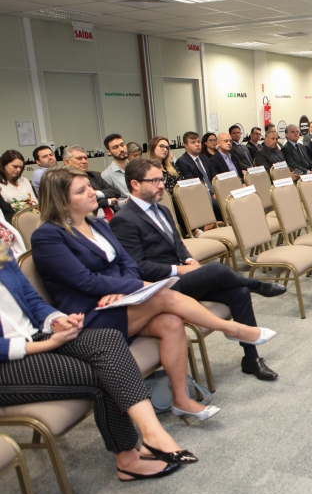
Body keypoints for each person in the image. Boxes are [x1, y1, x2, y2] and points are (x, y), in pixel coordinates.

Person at [31, 167, 276, 421]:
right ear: (61, 200)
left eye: (89, 186)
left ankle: (181, 400)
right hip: (89, 316)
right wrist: (133, 287)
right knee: (162, 293)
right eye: (82, 190)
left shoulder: (98, 224)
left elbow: (129, 265)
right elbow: (85, 281)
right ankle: (234, 329)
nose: (93, 192)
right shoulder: (47, 236)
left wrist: (121, 288)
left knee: (171, 322)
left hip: (120, 302)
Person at [0, 246, 197, 480]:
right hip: (9, 362)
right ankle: (128, 460)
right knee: (105, 373)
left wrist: (57, 320)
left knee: (108, 340)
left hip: (35, 336)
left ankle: (152, 435)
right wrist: (45, 345)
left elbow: (31, 300)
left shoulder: (2, 251)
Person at [109, 158, 285, 381]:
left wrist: (189, 260)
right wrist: (178, 270)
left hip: (181, 279)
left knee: (238, 292)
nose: (161, 185)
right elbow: (138, 266)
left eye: (161, 179)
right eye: (154, 181)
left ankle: (251, 359)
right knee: (217, 270)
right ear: (135, 184)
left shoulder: (162, 210)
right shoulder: (123, 220)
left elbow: (178, 245)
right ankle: (257, 285)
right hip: (160, 289)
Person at [175, 131, 226, 222]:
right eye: (193, 142)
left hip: (214, 192)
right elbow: (193, 183)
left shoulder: (204, 158)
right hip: (201, 195)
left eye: (198, 142)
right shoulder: (182, 161)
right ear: (185, 145)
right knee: (223, 204)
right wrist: (212, 194)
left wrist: (218, 191)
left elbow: (214, 177)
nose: (197, 144)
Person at [63, 145, 121, 217]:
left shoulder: (94, 175)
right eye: (79, 158)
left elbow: (116, 191)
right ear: (67, 162)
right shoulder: (64, 181)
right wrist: (107, 201)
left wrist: (96, 194)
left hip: (114, 215)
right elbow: (81, 204)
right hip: (90, 218)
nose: (84, 161)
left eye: (85, 158)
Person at [102, 134, 132, 203]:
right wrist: (127, 202)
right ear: (109, 152)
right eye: (115, 147)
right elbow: (109, 203)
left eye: (122, 145)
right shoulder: (106, 175)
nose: (121, 149)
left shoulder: (137, 167)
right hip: (125, 211)